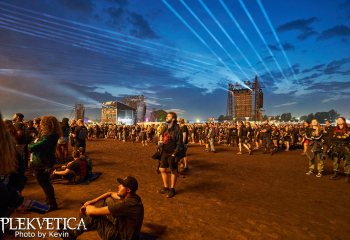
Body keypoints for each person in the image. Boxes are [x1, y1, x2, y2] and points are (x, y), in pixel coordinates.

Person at [60, 176, 144, 240]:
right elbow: (110, 193)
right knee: (108, 200)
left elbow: (92, 211)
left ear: (128, 190)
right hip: (128, 233)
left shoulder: (126, 205)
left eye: (122, 185)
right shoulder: (134, 197)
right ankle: (88, 223)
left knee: (94, 216)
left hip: (119, 237)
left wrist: (87, 207)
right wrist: (91, 201)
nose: (118, 186)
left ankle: (72, 234)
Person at [28, 116, 62, 210]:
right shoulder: (52, 135)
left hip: (42, 162)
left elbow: (32, 147)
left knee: (45, 183)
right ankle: (50, 201)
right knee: (45, 183)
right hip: (45, 161)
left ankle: (52, 204)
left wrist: (31, 144)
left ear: (46, 124)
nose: (40, 125)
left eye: (42, 123)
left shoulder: (49, 136)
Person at [158, 112, 183, 198]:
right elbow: (161, 136)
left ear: (173, 119)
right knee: (162, 169)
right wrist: (160, 140)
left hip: (173, 152)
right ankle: (166, 187)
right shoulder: (165, 127)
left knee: (173, 170)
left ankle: (172, 189)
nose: (166, 117)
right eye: (167, 116)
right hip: (164, 151)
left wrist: (175, 153)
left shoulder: (177, 129)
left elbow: (180, 143)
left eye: (168, 116)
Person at [329, 117, 350, 182]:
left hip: (345, 146)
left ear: (344, 121)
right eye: (338, 120)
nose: (339, 121)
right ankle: (335, 173)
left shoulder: (348, 129)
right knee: (335, 160)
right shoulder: (334, 129)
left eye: (340, 120)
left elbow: (347, 138)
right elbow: (331, 137)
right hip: (336, 146)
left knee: (347, 161)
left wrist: (340, 138)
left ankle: (348, 175)